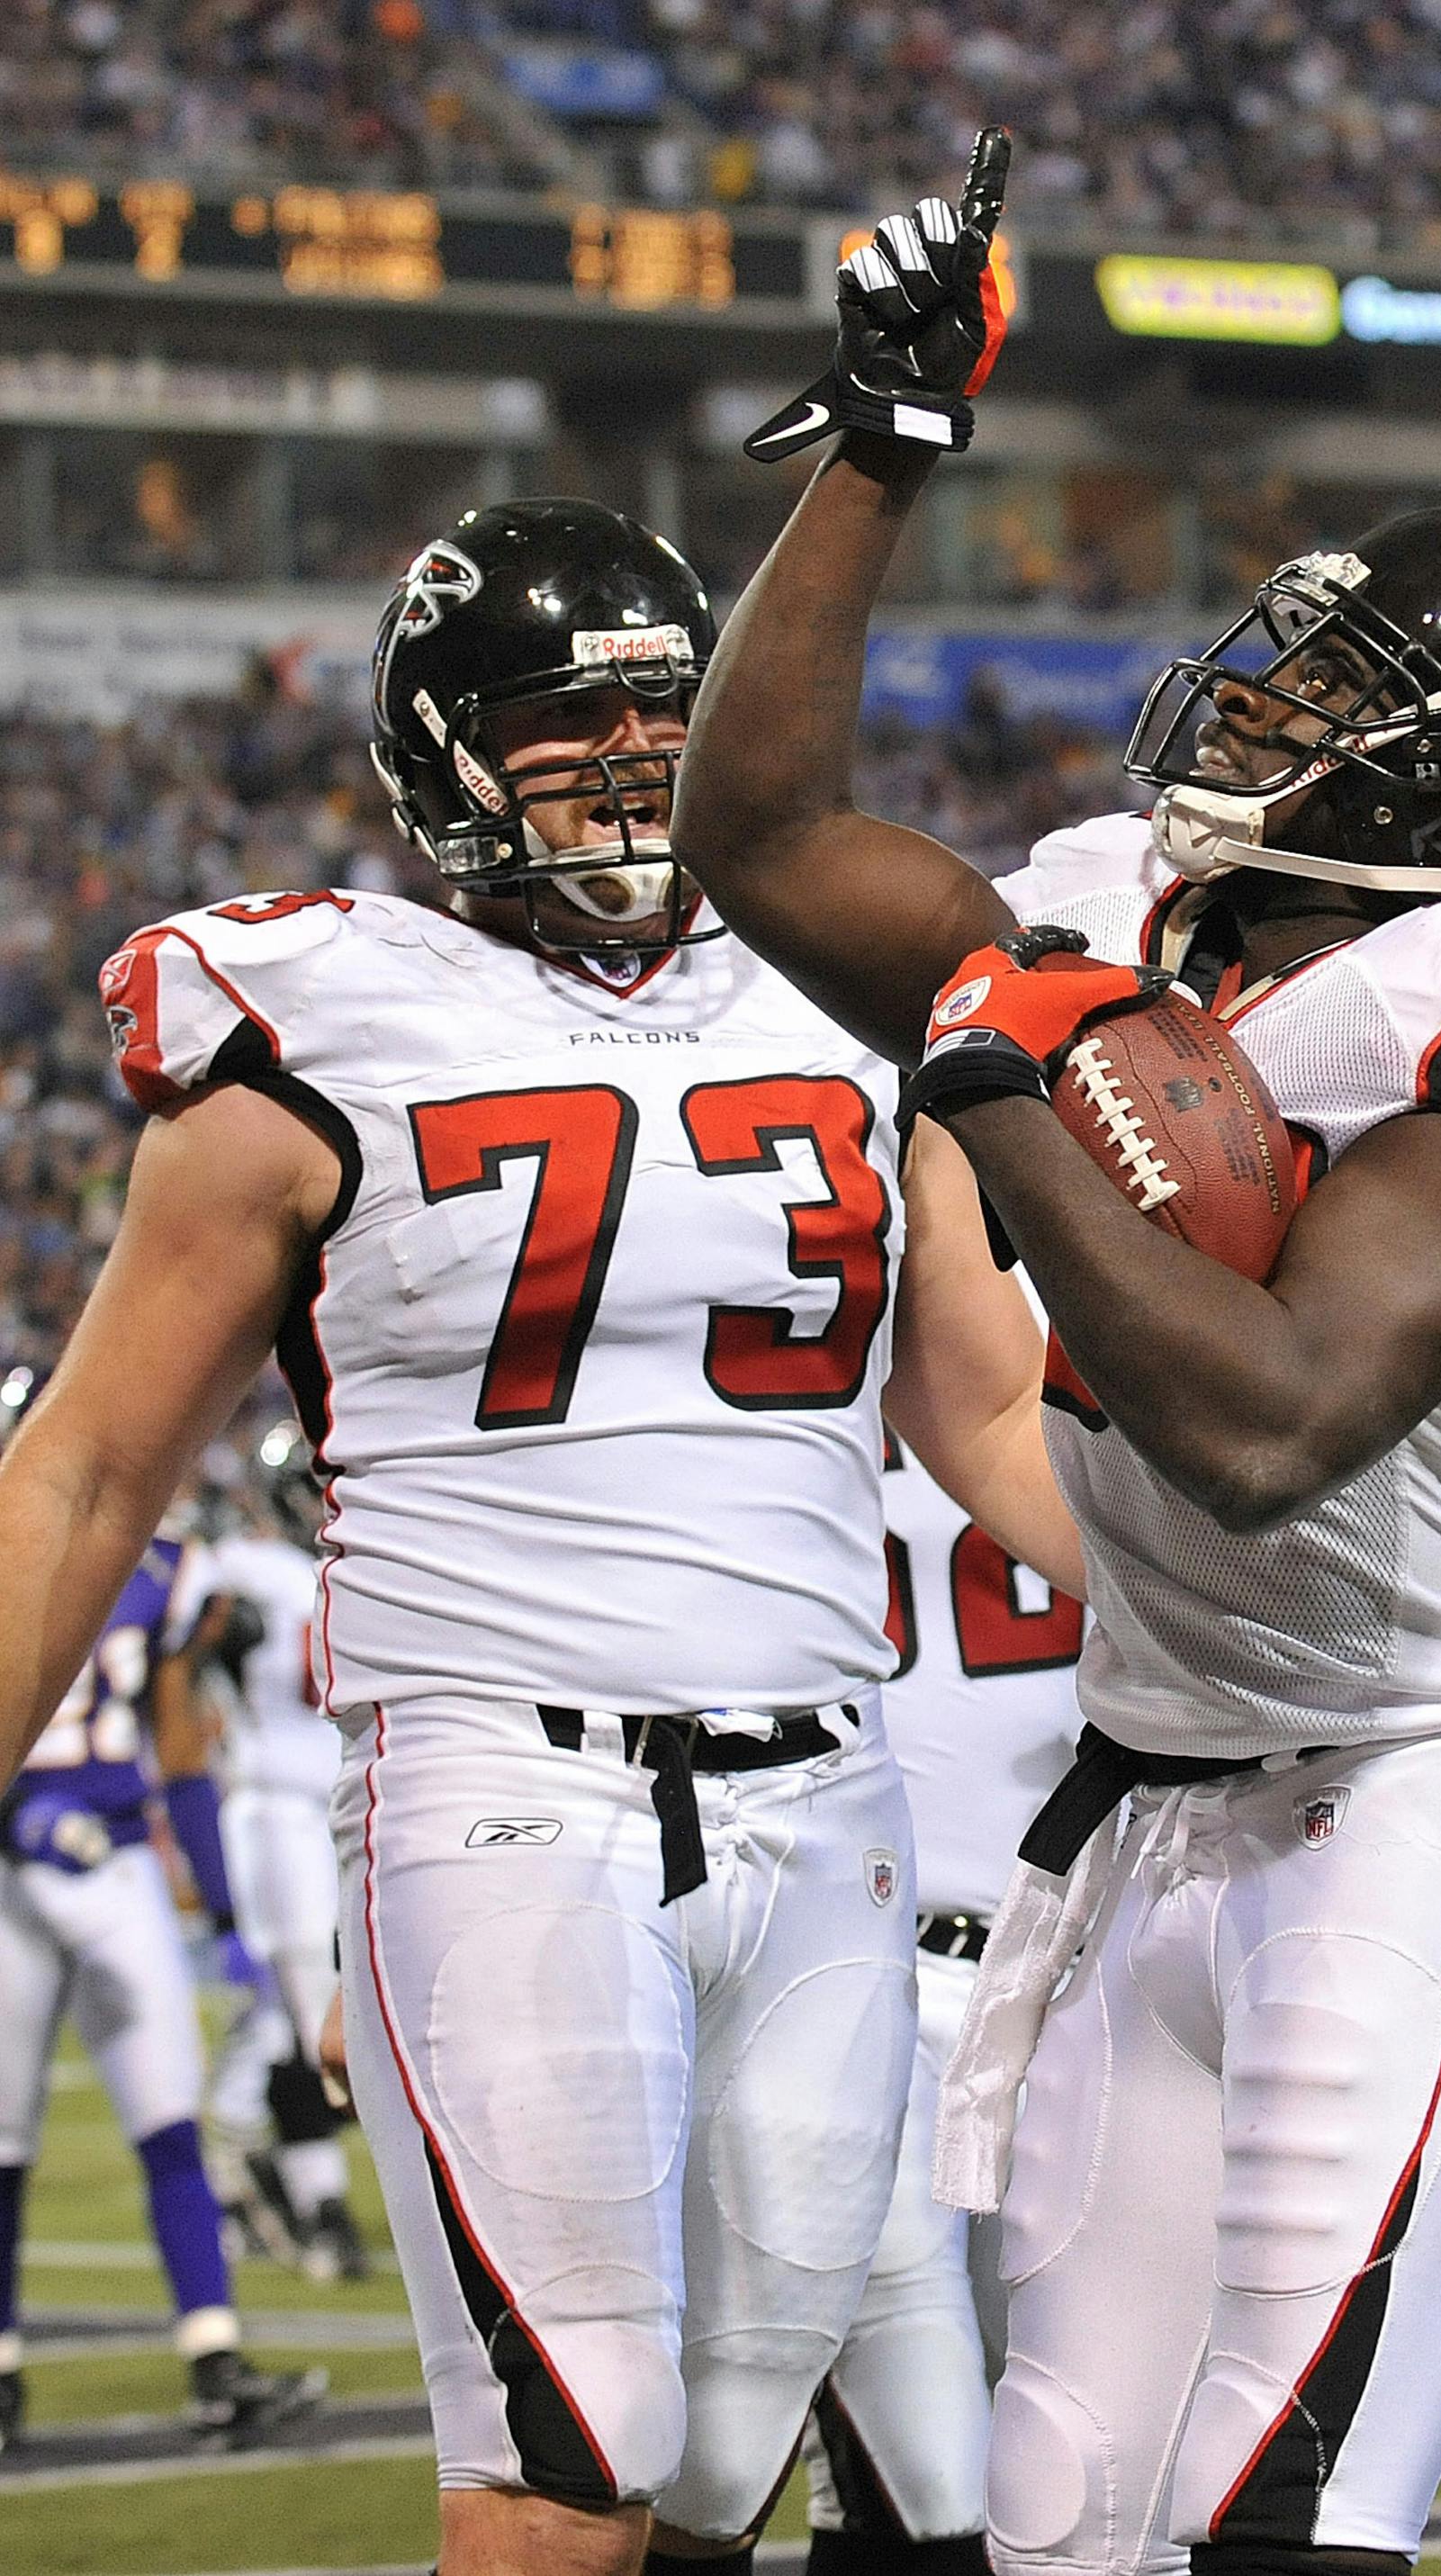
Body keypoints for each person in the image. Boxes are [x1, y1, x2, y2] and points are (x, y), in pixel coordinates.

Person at [671, 137, 1441, 2576]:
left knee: (1282, 2513)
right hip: (1153, 1792)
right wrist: (882, 448)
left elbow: (1263, 1420)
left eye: (1336, 692)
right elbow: (764, 823)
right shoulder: (1132, 911)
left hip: (1424, 1788)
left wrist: (1008, 1081)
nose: (1265, 704)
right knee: (1052, 2513)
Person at [0, 499, 1078, 2576]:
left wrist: (1256, 1618)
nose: (630, 754)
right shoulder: (303, 1014)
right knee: (565, 2471)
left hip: (824, 1798)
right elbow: (88, 1469)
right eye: (562, 718)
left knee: (715, 2461)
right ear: (439, 750)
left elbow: (987, 1402)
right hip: (506, 1784)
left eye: (662, 708)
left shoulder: (851, 1000)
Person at [805, 1425, 1081, 2573]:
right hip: (845, 1956)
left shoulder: (1110, 1315)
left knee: (1080, 2472)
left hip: (1075, 1970)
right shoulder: (804, 1322)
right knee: (913, 2478)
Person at [0, 1507, 324, 2448]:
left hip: (124, 1861)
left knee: (169, 2115)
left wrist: (224, 1911)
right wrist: (18, 1813)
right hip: (13, 1872)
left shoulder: (169, 1567)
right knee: (4, 2142)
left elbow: (181, 1746)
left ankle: (216, 2361)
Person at [202, 1422, 368, 2283]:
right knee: (309, 1997)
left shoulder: (366, 1558)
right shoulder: (244, 1573)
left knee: (303, 2014)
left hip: (352, 1802)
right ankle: (321, 2202)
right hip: (276, 1807)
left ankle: (244, 2163)